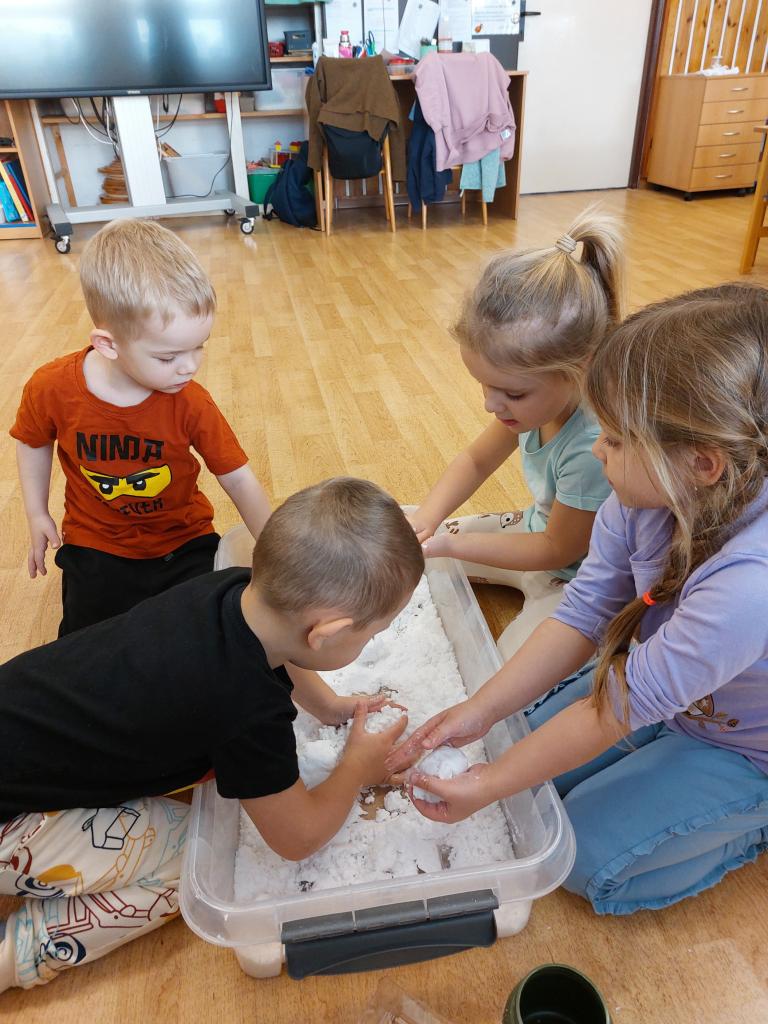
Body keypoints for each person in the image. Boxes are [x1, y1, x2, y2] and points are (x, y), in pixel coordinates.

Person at [389, 285, 768, 915]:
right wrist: (480, 712)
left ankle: (752, 821)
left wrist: (489, 782)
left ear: (702, 464)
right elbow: (583, 612)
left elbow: (618, 707)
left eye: (614, 440)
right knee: (516, 763)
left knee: (579, 854)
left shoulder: (749, 582)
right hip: (664, 694)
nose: (597, 449)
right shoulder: (642, 498)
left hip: (743, 744)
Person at [0, 477, 423, 991]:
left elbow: (284, 654)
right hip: (11, 822)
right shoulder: (245, 705)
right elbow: (297, 838)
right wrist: (356, 767)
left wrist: (329, 706)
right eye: (372, 633)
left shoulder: (231, 588)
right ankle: (16, 954)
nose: (371, 640)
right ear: (327, 633)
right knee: (198, 867)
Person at [11, 218, 271, 636]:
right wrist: (36, 512)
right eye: (168, 357)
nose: (189, 366)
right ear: (108, 344)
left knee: (213, 633)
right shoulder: (51, 387)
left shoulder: (191, 402)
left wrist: (277, 554)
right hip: (96, 543)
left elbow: (239, 479)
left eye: (198, 347)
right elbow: (31, 440)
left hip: (183, 541)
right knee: (88, 644)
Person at [408, 211, 623, 659]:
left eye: (512, 393)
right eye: (484, 386)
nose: (491, 404)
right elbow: (476, 460)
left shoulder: (592, 444)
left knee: (509, 670)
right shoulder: (532, 407)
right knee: (419, 551)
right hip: (534, 533)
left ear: (580, 368)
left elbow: (555, 550)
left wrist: (448, 543)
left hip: (578, 578)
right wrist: (428, 519)